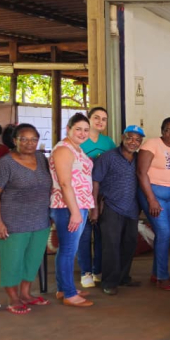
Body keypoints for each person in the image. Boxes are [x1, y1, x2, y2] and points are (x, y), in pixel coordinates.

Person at [0, 124, 53, 314]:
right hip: (13, 221)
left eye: (33, 139)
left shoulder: (41, 159)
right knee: (12, 260)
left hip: (40, 220)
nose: (29, 143)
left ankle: (26, 294)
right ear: (15, 141)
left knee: (32, 260)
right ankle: (13, 298)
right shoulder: (5, 163)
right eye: (23, 139)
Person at [49, 113, 95, 307]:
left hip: (79, 205)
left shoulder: (76, 149)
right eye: (78, 129)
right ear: (68, 129)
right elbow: (65, 183)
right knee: (68, 250)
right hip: (67, 206)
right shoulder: (63, 150)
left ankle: (64, 288)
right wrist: (75, 212)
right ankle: (69, 294)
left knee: (69, 249)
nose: (82, 133)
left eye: (86, 130)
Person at [92, 125, 144, 296]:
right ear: (123, 137)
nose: (133, 142)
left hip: (131, 208)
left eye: (137, 139)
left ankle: (123, 277)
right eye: (129, 138)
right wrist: (94, 209)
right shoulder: (108, 157)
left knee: (130, 244)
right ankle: (109, 281)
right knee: (111, 246)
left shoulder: (138, 159)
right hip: (111, 207)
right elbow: (96, 182)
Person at [137, 117, 170, 291]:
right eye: (168, 130)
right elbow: (141, 173)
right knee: (164, 233)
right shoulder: (152, 144)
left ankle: (158, 272)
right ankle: (162, 277)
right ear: (162, 130)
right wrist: (151, 199)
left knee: (163, 234)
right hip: (154, 196)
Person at [76, 107, 115, 289]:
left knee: (101, 235)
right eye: (96, 118)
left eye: (104, 119)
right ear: (89, 119)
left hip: (102, 195)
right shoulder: (79, 141)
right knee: (84, 235)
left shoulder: (108, 143)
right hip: (81, 194)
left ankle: (98, 270)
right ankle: (86, 272)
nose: (100, 122)